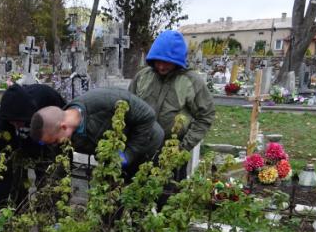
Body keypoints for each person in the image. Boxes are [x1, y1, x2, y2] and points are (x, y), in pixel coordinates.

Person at [129, 30, 215, 178]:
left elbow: (205, 116)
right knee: (132, 194)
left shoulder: (191, 81)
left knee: (167, 197)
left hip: (171, 154)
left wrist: (183, 148)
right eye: (158, 61)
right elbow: (128, 106)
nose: (161, 67)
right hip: (139, 148)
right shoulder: (143, 76)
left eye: (167, 63)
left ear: (177, 61)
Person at [30, 88, 164, 179]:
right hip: (114, 159)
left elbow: (148, 117)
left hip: (148, 146)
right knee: (110, 204)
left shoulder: (106, 101)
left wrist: (128, 155)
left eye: (54, 141)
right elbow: (61, 166)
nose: (55, 145)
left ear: (63, 127)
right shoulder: (63, 135)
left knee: (139, 202)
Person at [0, 84, 66, 211]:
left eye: (20, 121)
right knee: (17, 181)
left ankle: (50, 217)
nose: (17, 125)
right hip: (22, 146)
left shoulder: (47, 101)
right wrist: (0, 207)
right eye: (13, 122)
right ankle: (19, 215)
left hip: (50, 140)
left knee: (50, 183)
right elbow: (2, 165)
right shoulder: (3, 121)